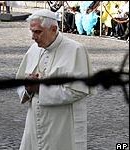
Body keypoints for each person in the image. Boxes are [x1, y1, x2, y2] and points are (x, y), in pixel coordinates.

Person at [16, 9, 93, 150]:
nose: (33, 37)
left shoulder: (75, 50)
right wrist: (27, 87)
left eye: (37, 32)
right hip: (34, 122)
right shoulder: (33, 49)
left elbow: (78, 90)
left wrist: (40, 88)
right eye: (31, 31)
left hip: (62, 124)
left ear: (53, 29)